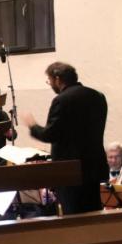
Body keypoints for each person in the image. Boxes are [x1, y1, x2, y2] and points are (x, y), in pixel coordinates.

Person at [23, 62, 108, 214]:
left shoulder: (62, 100)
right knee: (94, 215)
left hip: (70, 170)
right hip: (94, 166)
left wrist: (33, 126)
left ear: (57, 79)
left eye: (49, 81)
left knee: (74, 218)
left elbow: (51, 134)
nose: (50, 85)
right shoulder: (98, 96)